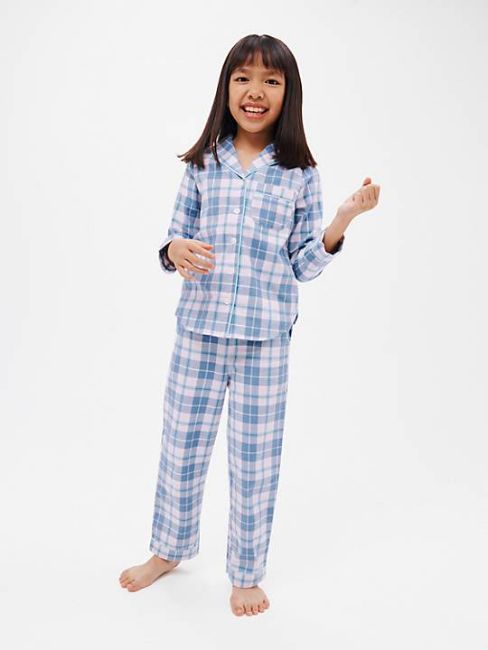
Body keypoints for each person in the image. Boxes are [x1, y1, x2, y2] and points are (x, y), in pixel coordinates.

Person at [119, 33, 380, 617]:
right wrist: (174, 250)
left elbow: (303, 264)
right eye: (243, 78)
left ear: (288, 93)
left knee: (255, 460)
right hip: (199, 331)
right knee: (181, 447)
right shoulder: (202, 163)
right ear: (227, 88)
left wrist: (341, 220)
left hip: (265, 340)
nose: (255, 91)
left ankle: (245, 572)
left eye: (270, 80)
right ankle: (168, 549)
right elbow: (174, 238)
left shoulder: (300, 173)